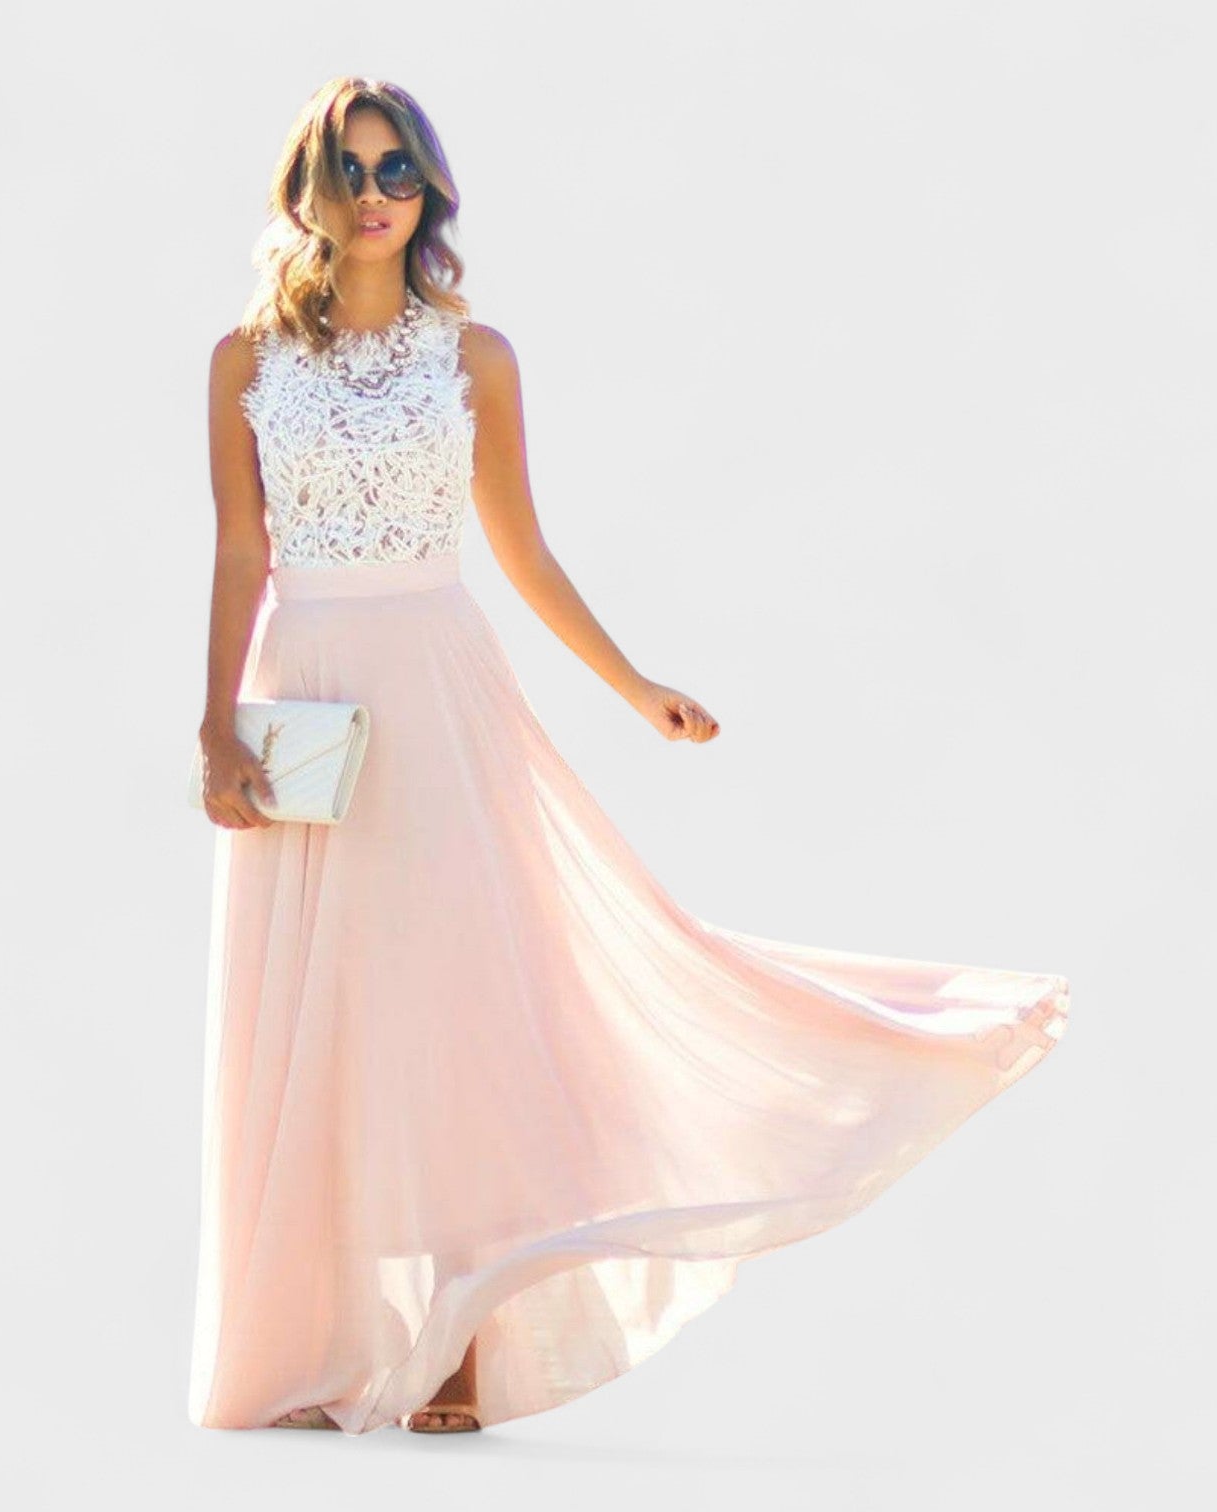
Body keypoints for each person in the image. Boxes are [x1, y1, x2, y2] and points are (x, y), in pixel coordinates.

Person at [187, 76, 1070, 1439]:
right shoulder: (245, 363)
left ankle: (463, 1344)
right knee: (320, 1014)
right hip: (299, 696)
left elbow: (523, 552)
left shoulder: (474, 359)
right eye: (349, 170)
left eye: (397, 170)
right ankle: (312, 1352)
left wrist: (634, 685)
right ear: (306, 188)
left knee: (457, 1004)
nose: (373, 196)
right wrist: (211, 724)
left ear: (430, 191)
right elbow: (242, 548)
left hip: (436, 696)